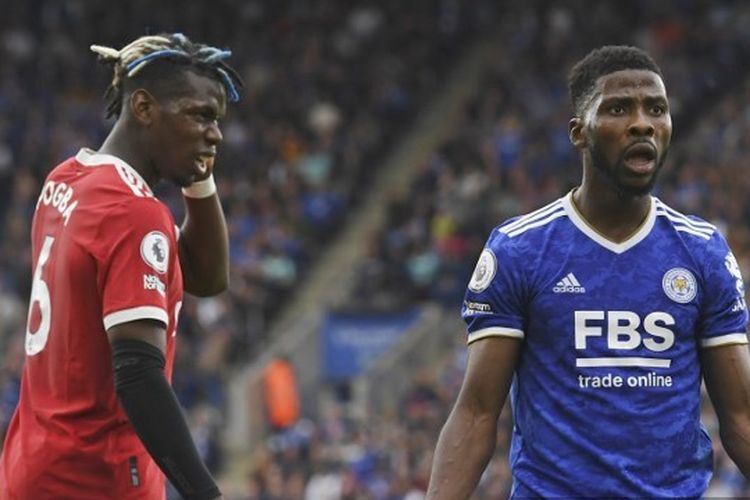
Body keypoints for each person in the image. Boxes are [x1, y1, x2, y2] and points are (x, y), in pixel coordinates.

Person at [427, 45, 750, 498]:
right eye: (619, 108)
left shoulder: (703, 252)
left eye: (656, 109)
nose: (642, 123)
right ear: (579, 133)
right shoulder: (521, 249)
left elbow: (741, 418)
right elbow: (477, 413)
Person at [0, 33, 242, 499]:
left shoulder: (67, 178)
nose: (216, 134)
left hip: (33, 464)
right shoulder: (133, 214)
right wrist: (206, 493)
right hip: (93, 478)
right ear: (144, 108)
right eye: (201, 115)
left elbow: (207, 277)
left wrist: (200, 177)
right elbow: (137, 374)